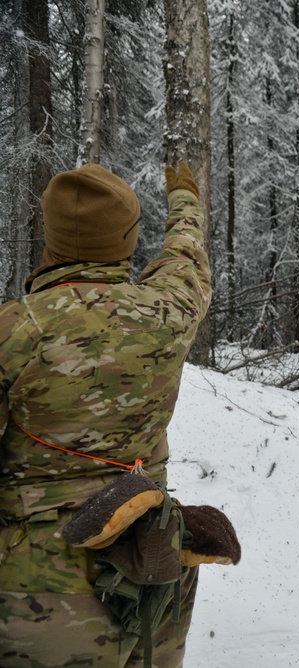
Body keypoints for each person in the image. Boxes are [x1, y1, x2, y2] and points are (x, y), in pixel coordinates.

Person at [0, 161, 212, 666]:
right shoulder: (169, 309)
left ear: (50, 232)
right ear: (126, 238)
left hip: (40, 582)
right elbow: (186, 254)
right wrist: (184, 197)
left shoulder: (15, 329)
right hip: (155, 565)